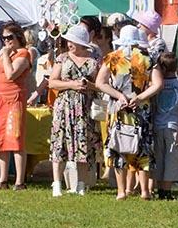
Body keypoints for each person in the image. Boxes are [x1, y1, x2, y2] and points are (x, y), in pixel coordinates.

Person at [98, 25, 156, 199]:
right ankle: (145, 190)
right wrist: (140, 97)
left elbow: (101, 82)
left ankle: (121, 191)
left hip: (119, 108)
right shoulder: (147, 58)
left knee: (118, 146)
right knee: (143, 147)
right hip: (141, 108)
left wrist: (119, 96)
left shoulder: (112, 58)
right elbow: (158, 84)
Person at [49, 24, 101, 196]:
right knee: (59, 142)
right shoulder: (62, 58)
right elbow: (52, 82)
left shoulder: (93, 61)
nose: (69, 44)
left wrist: (88, 85)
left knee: (84, 142)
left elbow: (100, 85)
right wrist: (72, 84)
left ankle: (81, 184)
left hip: (85, 107)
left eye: (73, 41)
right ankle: (57, 183)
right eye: (69, 41)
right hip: (64, 105)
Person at [0, 21, 32, 189]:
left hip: (13, 100)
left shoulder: (23, 54)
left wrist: (6, 55)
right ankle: (2, 179)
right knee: (0, 139)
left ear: (18, 36)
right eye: (3, 38)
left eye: (9, 37)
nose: (6, 41)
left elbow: (11, 74)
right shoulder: (4, 52)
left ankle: (19, 181)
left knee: (15, 138)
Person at [147, 51, 178, 199]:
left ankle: (159, 189)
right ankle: (166, 191)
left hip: (157, 125)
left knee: (158, 158)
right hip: (174, 126)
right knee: (172, 159)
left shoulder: (155, 85)